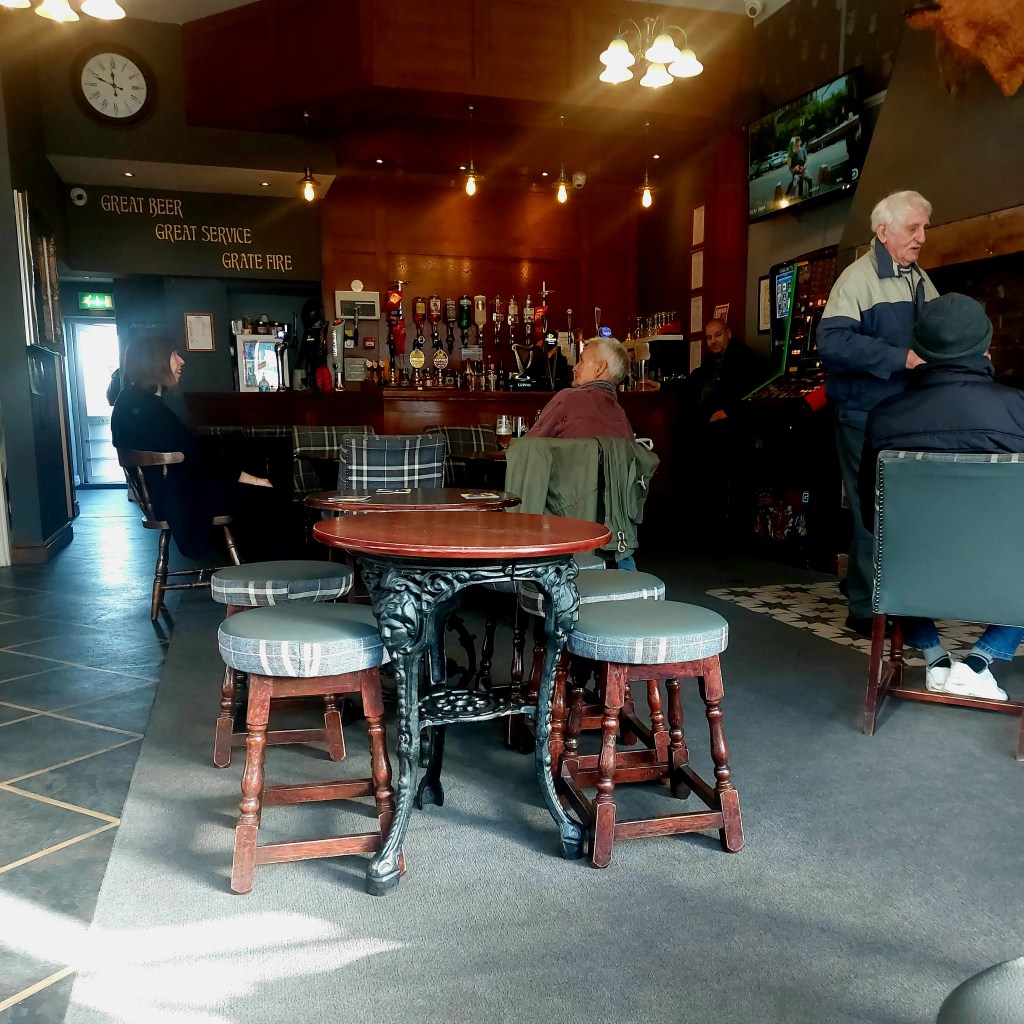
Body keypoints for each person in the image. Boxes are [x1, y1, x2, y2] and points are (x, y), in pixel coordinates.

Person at [860, 293, 1024, 701]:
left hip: (913, 572)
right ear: (986, 348)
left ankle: (936, 660)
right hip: (1005, 571)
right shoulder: (1018, 410)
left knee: (893, 547)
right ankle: (979, 662)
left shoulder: (885, 415)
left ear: (919, 351)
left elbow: (871, 516)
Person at [817, 189, 939, 635]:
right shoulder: (857, 279)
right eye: (913, 228)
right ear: (883, 231)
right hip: (862, 413)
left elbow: (939, 333)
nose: (922, 237)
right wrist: (898, 358)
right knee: (873, 508)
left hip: (906, 413)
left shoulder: (919, 279)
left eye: (924, 228)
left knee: (898, 509)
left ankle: (891, 599)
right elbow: (832, 342)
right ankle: (865, 610)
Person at [111, 333, 281, 562]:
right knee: (266, 495)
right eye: (174, 354)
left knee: (247, 481)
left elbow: (189, 450)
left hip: (168, 496)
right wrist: (252, 479)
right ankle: (266, 571)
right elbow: (196, 455)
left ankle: (255, 567)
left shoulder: (131, 400)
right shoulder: (146, 407)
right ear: (154, 360)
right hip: (177, 501)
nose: (182, 361)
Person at [526, 336, 633, 440]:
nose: (575, 368)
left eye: (581, 360)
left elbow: (528, 446)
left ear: (599, 368)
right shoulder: (624, 422)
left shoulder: (567, 398)